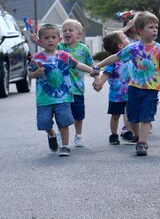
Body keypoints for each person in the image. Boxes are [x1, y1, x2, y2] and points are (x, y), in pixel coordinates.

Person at [96, 12, 160, 156]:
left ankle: (142, 143)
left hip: (151, 89)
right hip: (134, 88)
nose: (155, 30)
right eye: (151, 27)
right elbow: (115, 57)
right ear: (140, 30)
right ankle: (138, 137)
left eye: (156, 27)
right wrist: (99, 65)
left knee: (146, 117)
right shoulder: (133, 48)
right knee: (132, 117)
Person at [29, 24, 97, 157]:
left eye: (53, 37)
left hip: (63, 97)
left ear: (59, 39)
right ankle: (52, 135)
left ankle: (65, 146)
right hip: (44, 98)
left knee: (64, 121)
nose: (50, 40)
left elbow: (77, 65)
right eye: (46, 38)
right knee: (45, 123)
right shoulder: (37, 58)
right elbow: (29, 74)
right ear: (40, 41)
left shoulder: (64, 56)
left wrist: (91, 70)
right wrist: (36, 73)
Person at [93, 31, 135, 145]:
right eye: (125, 37)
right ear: (120, 45)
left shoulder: (131, 56)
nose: (128, 38)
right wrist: (99, 82)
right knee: (115, 115)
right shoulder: (112, 62)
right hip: (116, 95)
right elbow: (105, 75)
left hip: (131, 92)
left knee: (129, 113)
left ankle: (127, 131)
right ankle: (113, 134)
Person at [57, 19, 94, 148]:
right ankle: (61, 133)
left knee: (78, 115)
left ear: (79, 34)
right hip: (62, 89)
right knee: (62, 113)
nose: (67, 32)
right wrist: (37, 40)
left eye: (70, 30)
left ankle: (78, 136)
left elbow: (91, 65)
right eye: (64, 30)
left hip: (78, 88)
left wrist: (97, 78)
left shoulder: (84, 49)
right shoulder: (59, 47)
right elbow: (47, 47)